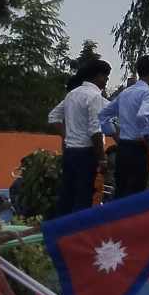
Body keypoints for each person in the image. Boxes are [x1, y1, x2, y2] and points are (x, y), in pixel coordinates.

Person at [47, 57, 112, 216]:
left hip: (70, 151)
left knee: (67, 196)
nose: (106, 81)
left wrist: (67, 135)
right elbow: (95, 130)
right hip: (87, 153)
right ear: (98, 76)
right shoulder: (95, 97)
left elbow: (53, 117)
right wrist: (102, 159)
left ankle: (61, 227)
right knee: (83, 198)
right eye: (105, 77)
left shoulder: (72, 94)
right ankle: (77, 229)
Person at [99, 56, 149, 199]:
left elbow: (103, 115)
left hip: (123, 146)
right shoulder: (148, 93)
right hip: (138, 148)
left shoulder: (126, 93)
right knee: (136, 194)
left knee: (120, 190)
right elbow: (143, 115)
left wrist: (114, 133)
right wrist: (147, 139)